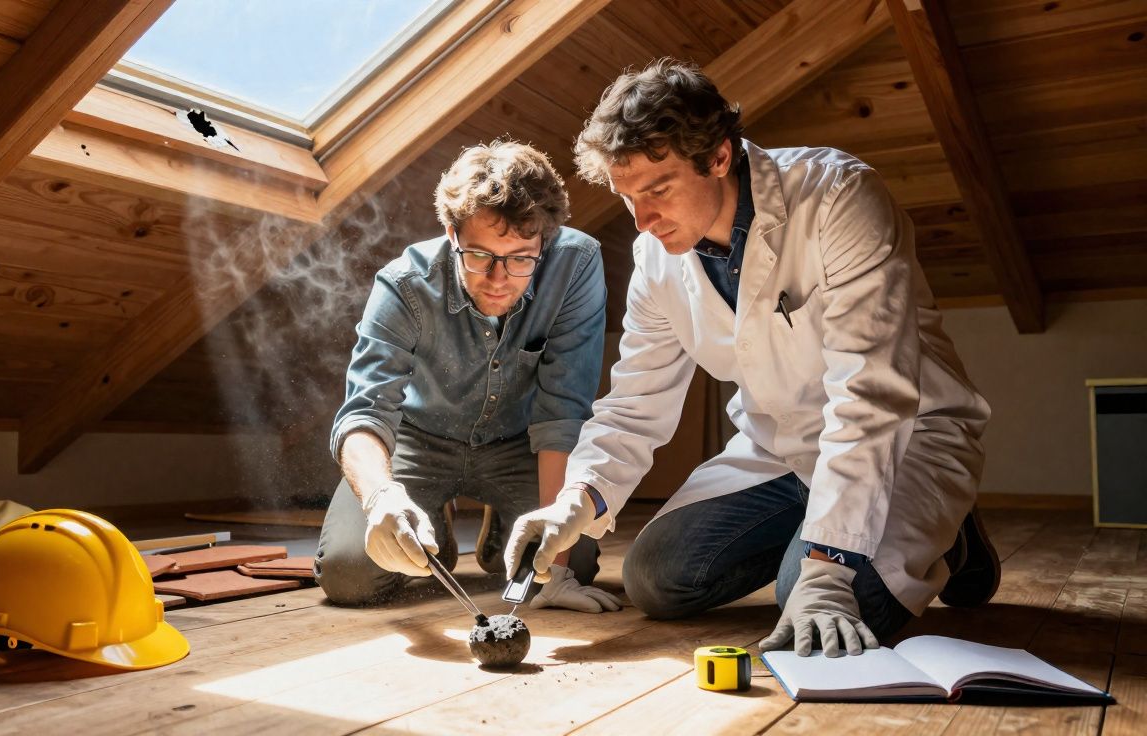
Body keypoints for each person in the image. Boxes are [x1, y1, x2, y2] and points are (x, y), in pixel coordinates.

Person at [505, 59, 998, 655]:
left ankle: (952, 532)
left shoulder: (839, 198)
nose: (642, 220)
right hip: (781, 453)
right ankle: (823, 532)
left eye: (658, 190)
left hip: (904, 440)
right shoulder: (655, 258)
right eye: (627, 196)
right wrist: (571, 507)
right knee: (655, 579)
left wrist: (825, 571)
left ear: (718, 156)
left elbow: (870, 392)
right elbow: (634, 406)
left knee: (812, 605)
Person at [316, 140, 620, 614]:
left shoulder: (576, 264)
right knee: (350, 575)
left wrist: (556, 570)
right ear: (451, 233)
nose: (498, 279)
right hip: (420, 441)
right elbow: (363, 414)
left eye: (521, 258)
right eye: (479, 255)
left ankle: (503, 526)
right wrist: (380, 498)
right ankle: (432, 514)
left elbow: (563, 411)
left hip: (521, 444)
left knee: (569, 563)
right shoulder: (402, 284)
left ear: (547, 238)